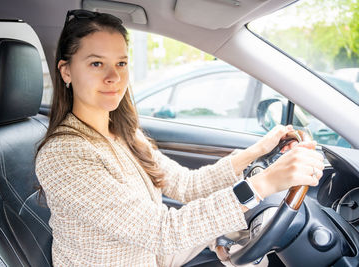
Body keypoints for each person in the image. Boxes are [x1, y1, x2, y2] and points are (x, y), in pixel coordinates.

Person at [35, 10, 325, 267]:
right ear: (66, 71)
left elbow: (186, 185)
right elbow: (161, 232)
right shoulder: (63, 155)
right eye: (97, 64)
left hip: (150, 255)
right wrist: (263, 184)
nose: (114, 77)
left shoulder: (122, 132)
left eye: (121, 63)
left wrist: (258, 151)